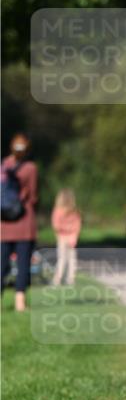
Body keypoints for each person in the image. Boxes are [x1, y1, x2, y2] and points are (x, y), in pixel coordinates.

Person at [1, 133, 39, 312]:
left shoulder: (3, 165)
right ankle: (20, 303)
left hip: (3, 224)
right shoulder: (31, 168)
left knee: (1, 264)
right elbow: (33, 196)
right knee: (23, 264)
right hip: (24, 223)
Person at [51, 189, 82, 286]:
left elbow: (56, 225)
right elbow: (78, 225)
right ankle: (70, 279)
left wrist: (64, 229)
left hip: (62, 237)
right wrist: (74, 235)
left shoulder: (57, 210)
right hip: (71, 237)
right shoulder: (74, 211)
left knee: (62, 258)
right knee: (72, 259)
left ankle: (58, 279)